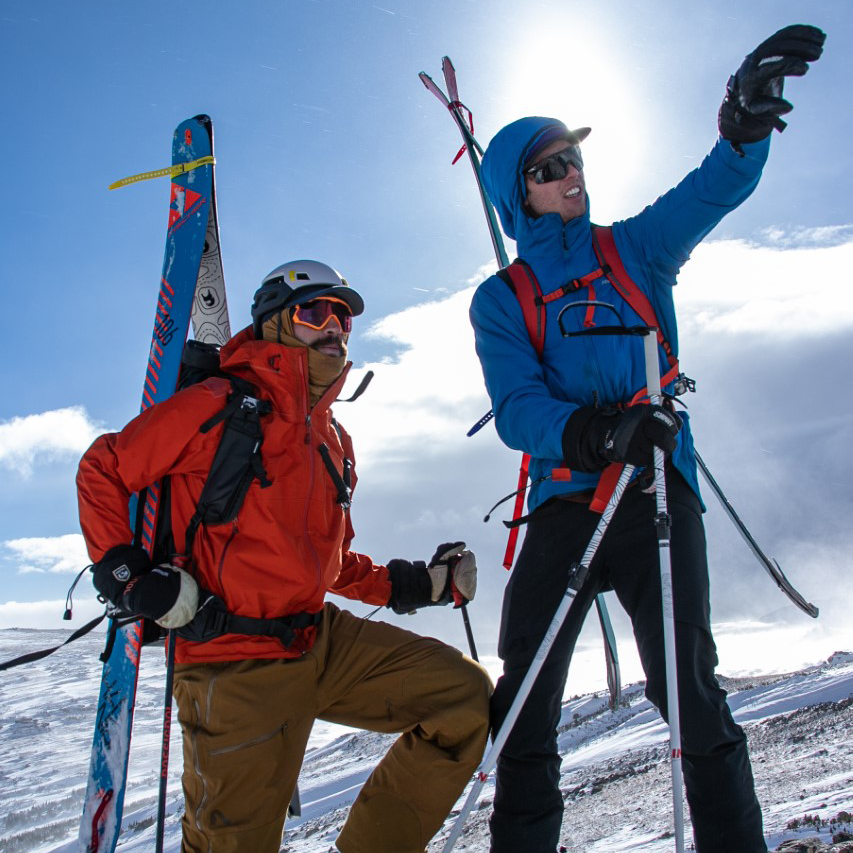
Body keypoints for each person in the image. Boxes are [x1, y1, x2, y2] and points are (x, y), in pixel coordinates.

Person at [469, 25, 825, 853]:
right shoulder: (505, 296)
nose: (571, 175)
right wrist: (596, 430)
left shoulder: (632, 249)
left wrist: (741, 130)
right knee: (523, 701)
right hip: (563, 500)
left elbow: (707, 192)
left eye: (575, 160)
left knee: (688, 691)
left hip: (656, 493)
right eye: (550, 167)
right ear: (517, 193)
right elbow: (518, 408)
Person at [77, 259, 492, 853]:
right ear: (274, 323)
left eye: (343, 318)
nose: (334, 328)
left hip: (318, 642)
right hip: (232, 658)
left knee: (464, 701)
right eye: (315, 312)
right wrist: (127, 576)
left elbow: (332, 563)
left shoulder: (333, 439)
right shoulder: (219, 405)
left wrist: (419, 584)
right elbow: (103, 468)